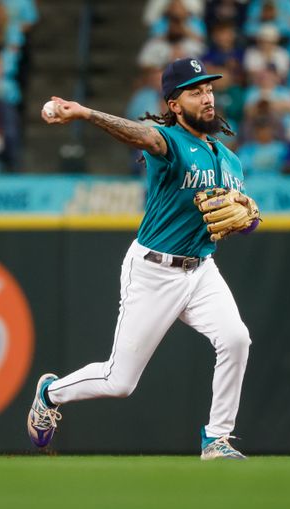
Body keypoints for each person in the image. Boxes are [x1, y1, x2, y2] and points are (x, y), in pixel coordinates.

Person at [27, 58, 257, 460]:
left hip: (202, 269)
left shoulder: (230, 159)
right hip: (154, 270)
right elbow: (140, 135)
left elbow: (239, 219)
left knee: (237, 339)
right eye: (195, 91)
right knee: (120, 381)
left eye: (209, 89)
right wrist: (85, 113)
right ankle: (50, 392)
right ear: (173, 103)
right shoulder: (168, 141)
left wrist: (252, 218)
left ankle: (217, 439)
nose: (207, 97)